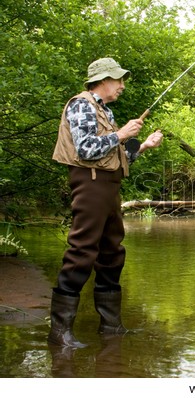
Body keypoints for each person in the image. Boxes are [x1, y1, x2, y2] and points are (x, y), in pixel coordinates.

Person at [49, 57, 163, 348]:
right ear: (103, 80)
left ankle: (111, 327)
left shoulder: (104, 110)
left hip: (108, 185)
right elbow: (86, 149)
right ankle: (60, 334)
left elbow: (114, 156)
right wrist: (121, 134)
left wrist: (143, 146)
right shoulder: (82, 104)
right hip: (90, 183)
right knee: (82, 249)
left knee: (112, 251)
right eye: (119, 80)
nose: (122, 86)